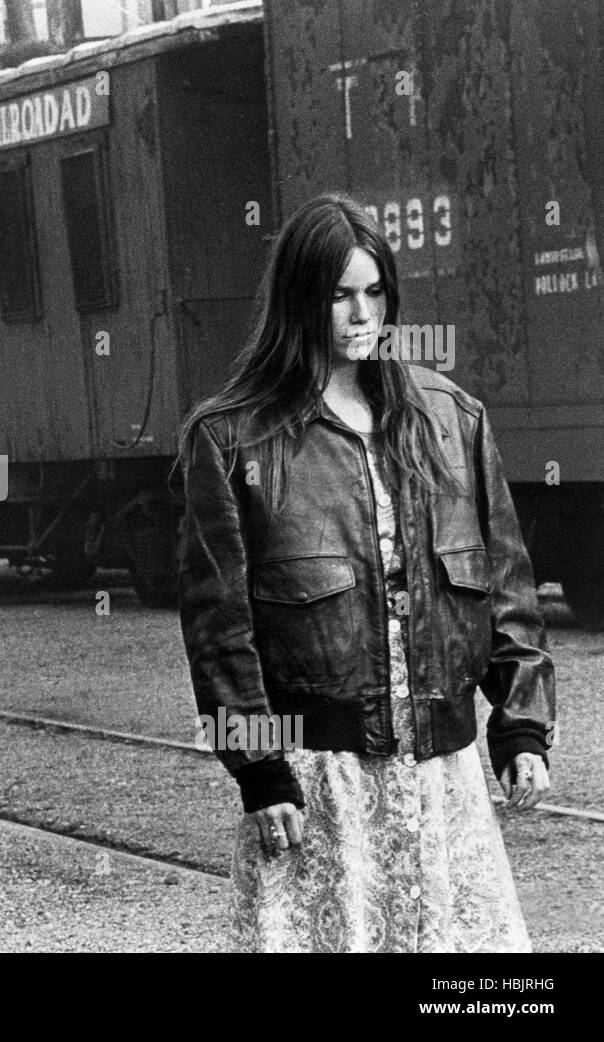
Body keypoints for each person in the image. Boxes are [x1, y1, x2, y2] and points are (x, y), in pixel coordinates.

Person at [176, 193, 555, 953]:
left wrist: (521, 729)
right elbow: (220, 626)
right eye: (340, 294)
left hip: (442, 778)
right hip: (321, 779)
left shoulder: (451, 418)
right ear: (299, 301)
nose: (361, 313)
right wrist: (261, 772)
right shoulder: (231, 439)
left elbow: (506, 587)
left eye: (375, 292)